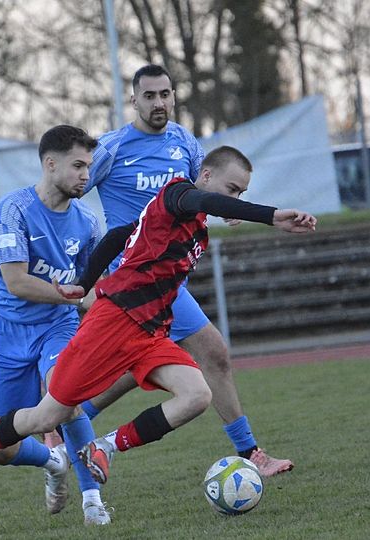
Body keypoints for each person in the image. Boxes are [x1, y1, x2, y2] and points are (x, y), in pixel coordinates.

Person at [0, 146, 316, 515]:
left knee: (197, 395)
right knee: (47, 416)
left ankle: (105, 447)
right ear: (206, 176)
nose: (235, 198)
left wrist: (83, 284)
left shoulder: (190, 224)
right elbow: (205, 200)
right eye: (232, 189)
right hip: (114, 321)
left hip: (150, 331)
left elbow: (118, 235)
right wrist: (271, 216)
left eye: (241, 193)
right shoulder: (178, 194)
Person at [79, 64, 294, 476]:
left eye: (165, 94)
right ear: (134, 100)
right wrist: (84, 265)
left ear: (174, 96)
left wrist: (232, 207)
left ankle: (68, 421)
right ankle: (251, 453)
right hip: (136, 277)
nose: (158, 102)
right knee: (213, 352)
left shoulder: (183, 141)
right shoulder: (111, 148)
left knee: (140, 364)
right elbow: (71, 193)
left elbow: (205, 190)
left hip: (168, 280)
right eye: (149, 95)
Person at [0, 125, 111, 525]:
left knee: (66, 397)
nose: (86, 175)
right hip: (7, 332)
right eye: (78, 166)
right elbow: (17, 282)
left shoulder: (88, 223)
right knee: (1, 450)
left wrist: (108, 310)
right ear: (50, 164)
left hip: (57, 327)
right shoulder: (12, 209)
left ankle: (92, 501)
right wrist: (74, 296)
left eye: (88, 166)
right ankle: (53, 461)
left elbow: (94, 289)